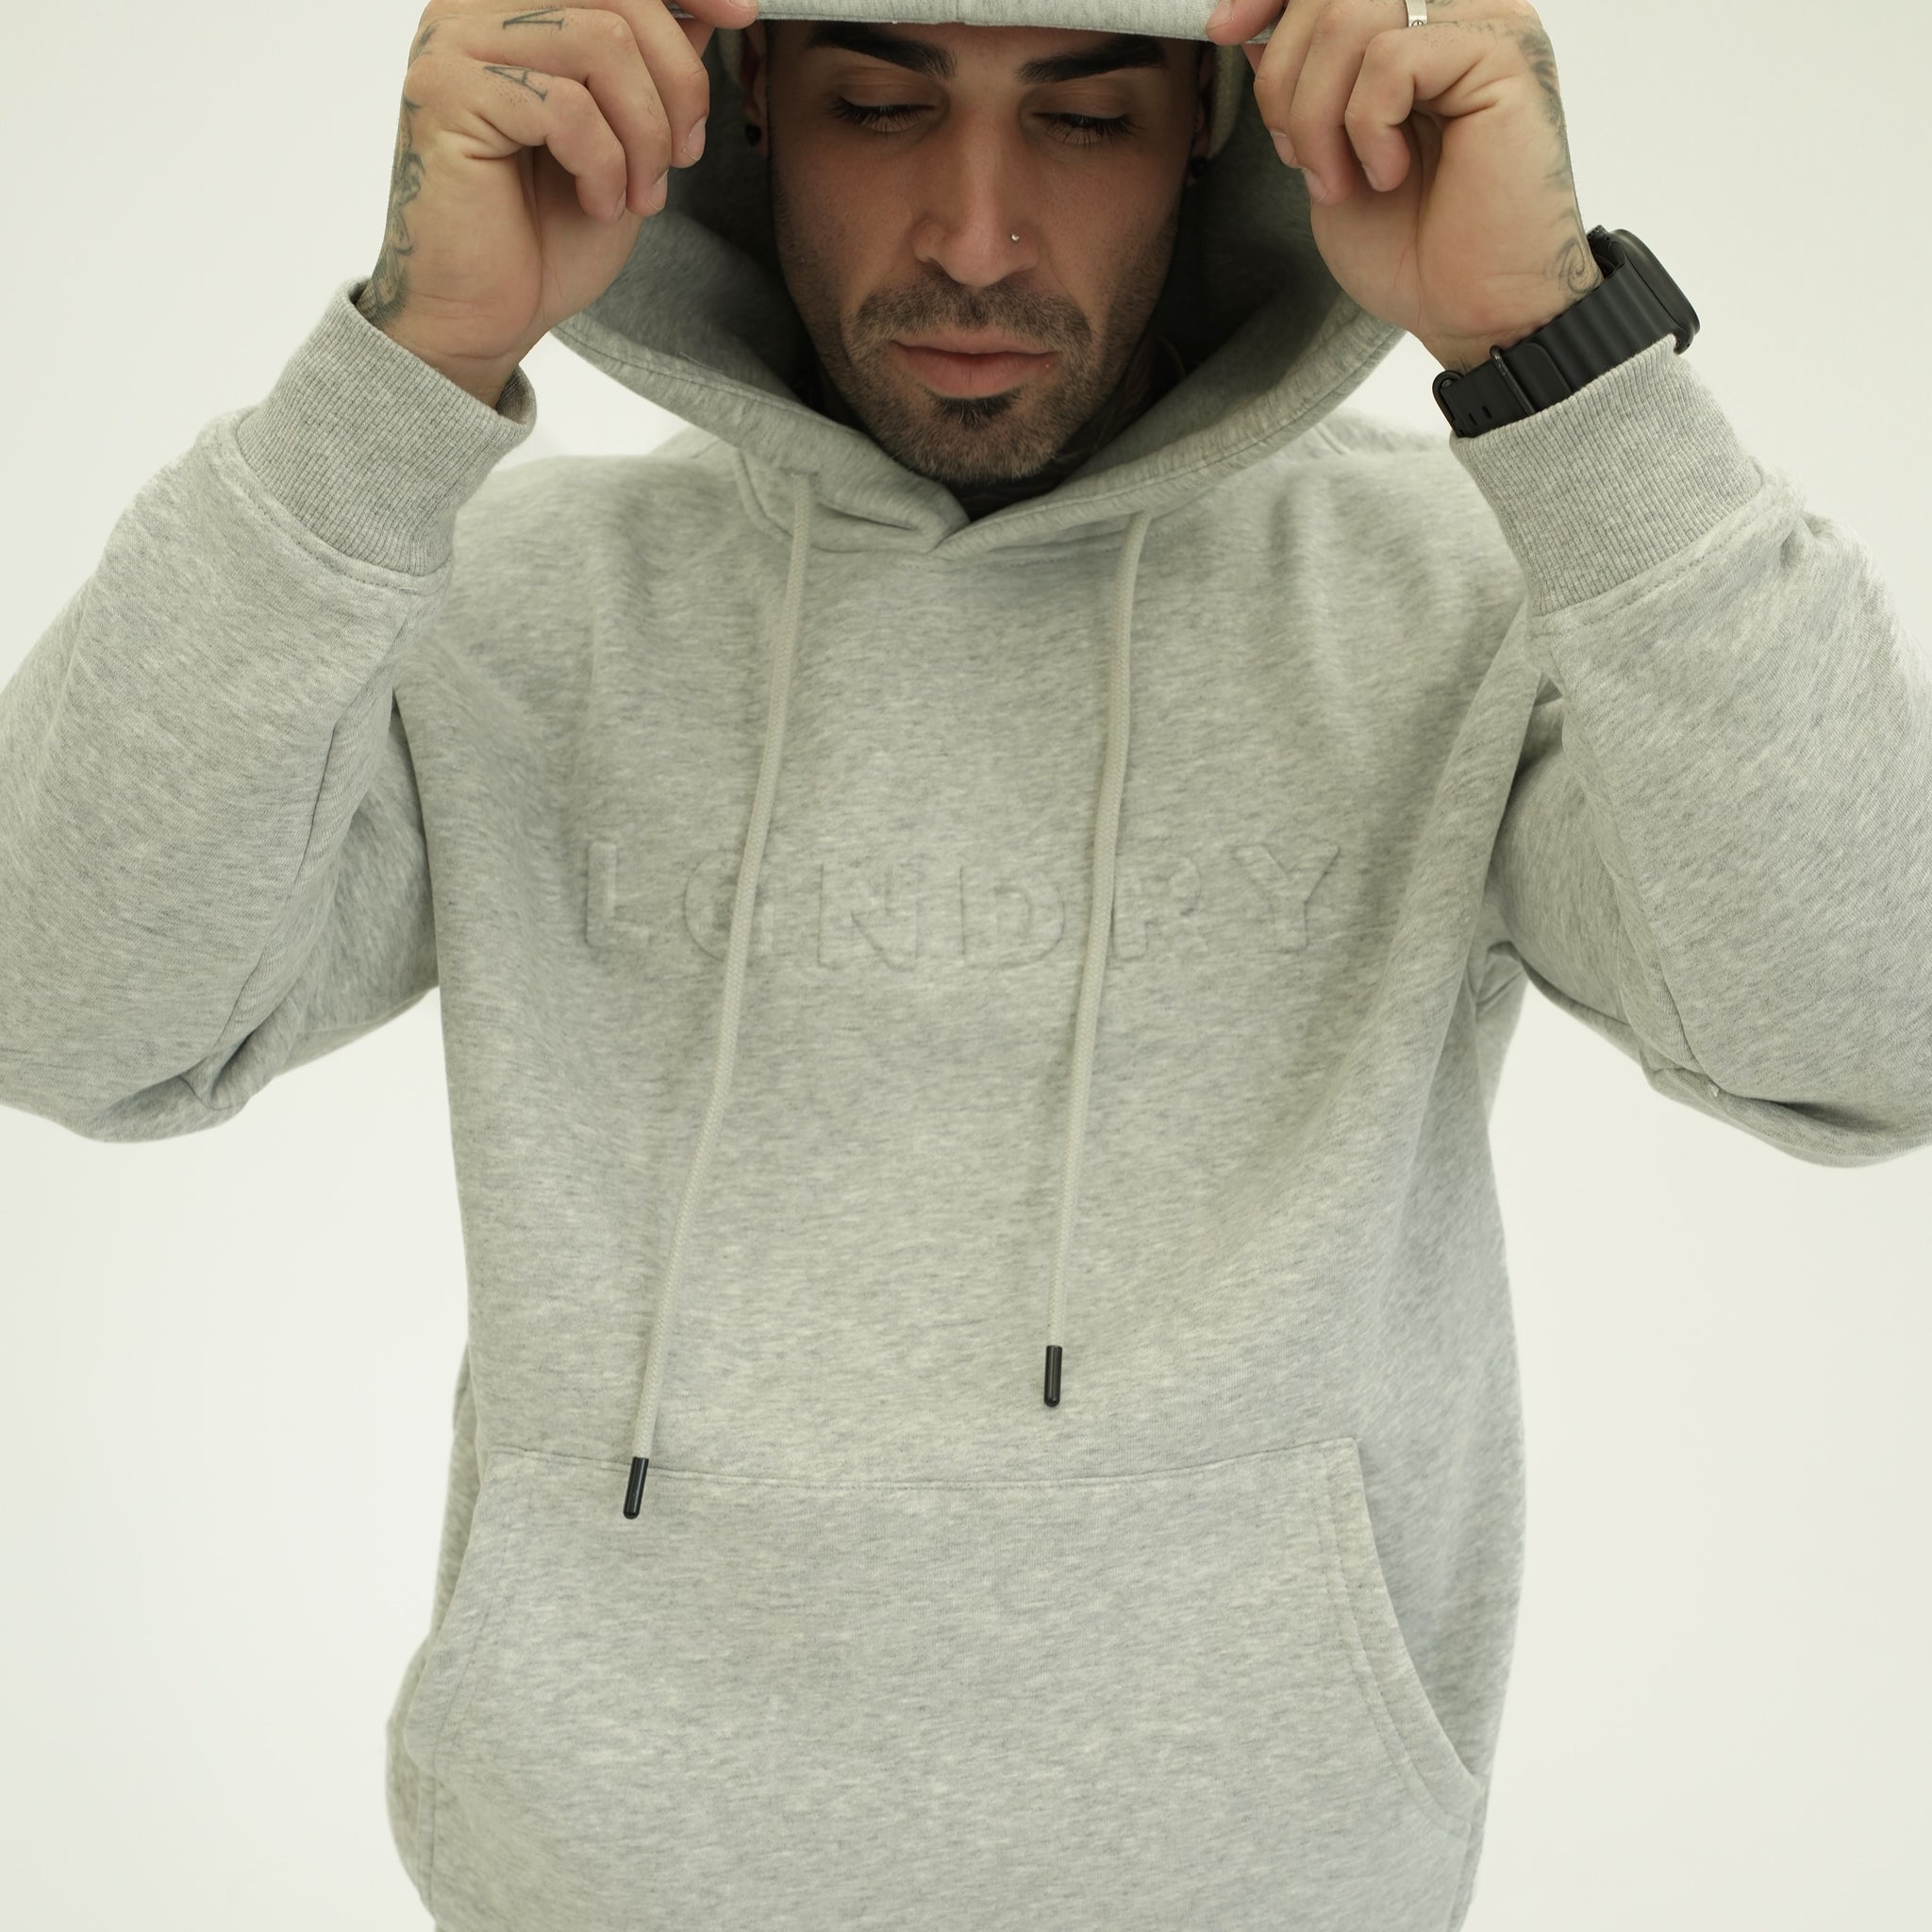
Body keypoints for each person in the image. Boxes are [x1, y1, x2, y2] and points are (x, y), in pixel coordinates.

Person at [3, 3, 1928, 1929]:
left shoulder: (1461, 596)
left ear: (1214, 122)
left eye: (1082, 120)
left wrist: (1562, 369)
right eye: (876, 105)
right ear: (748, 105)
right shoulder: (511, 597)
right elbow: (65, 1005)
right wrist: (400, 379)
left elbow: (1869, 1026)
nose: (978, 238)